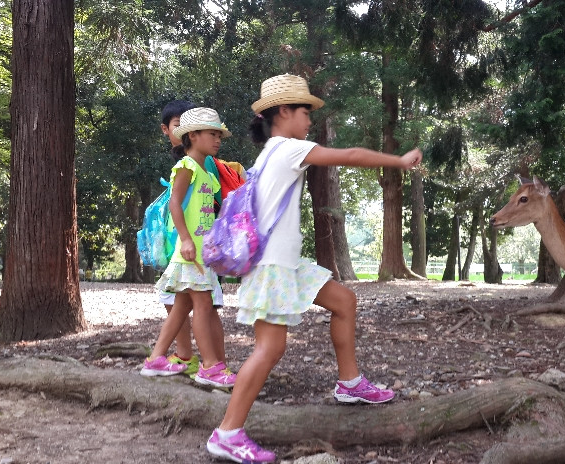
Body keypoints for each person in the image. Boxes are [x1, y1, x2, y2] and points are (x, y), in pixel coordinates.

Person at [206, 74, 422, 463]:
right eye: (304, 111)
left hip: (286, 264)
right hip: (273, 267)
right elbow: (352, 155)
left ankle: (350, 383)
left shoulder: (272, 152)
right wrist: (399, 161)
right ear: (283, 112)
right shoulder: (287, 148)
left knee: (343, 300)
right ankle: (227, 432)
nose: (309, 119)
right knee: (270, 348)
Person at [140, 107, 236, 388]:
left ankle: (156, 359)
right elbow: (174, 203)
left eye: (219, 134)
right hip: (190, 252)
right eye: (212, 134)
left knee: (182, 306)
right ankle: (210, 367)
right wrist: (184, 239)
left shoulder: (206, 172)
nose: (218, 140)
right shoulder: (186, 166)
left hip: (200, 251)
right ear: (192, 136)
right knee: (203, 306)